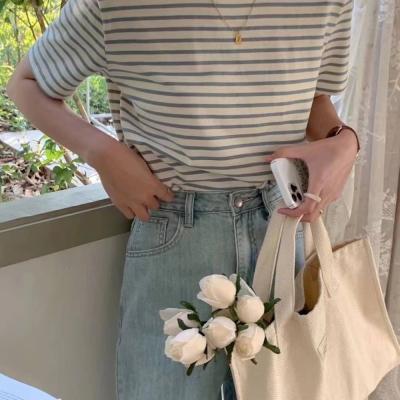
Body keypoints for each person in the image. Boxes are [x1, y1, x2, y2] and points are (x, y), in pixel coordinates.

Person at [6, 0, 358, 399]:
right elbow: (26, 83)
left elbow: (312, 96)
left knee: (288, 388)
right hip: (177, 224)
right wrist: (102, 153)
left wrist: (343, 140)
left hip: (281, 225)